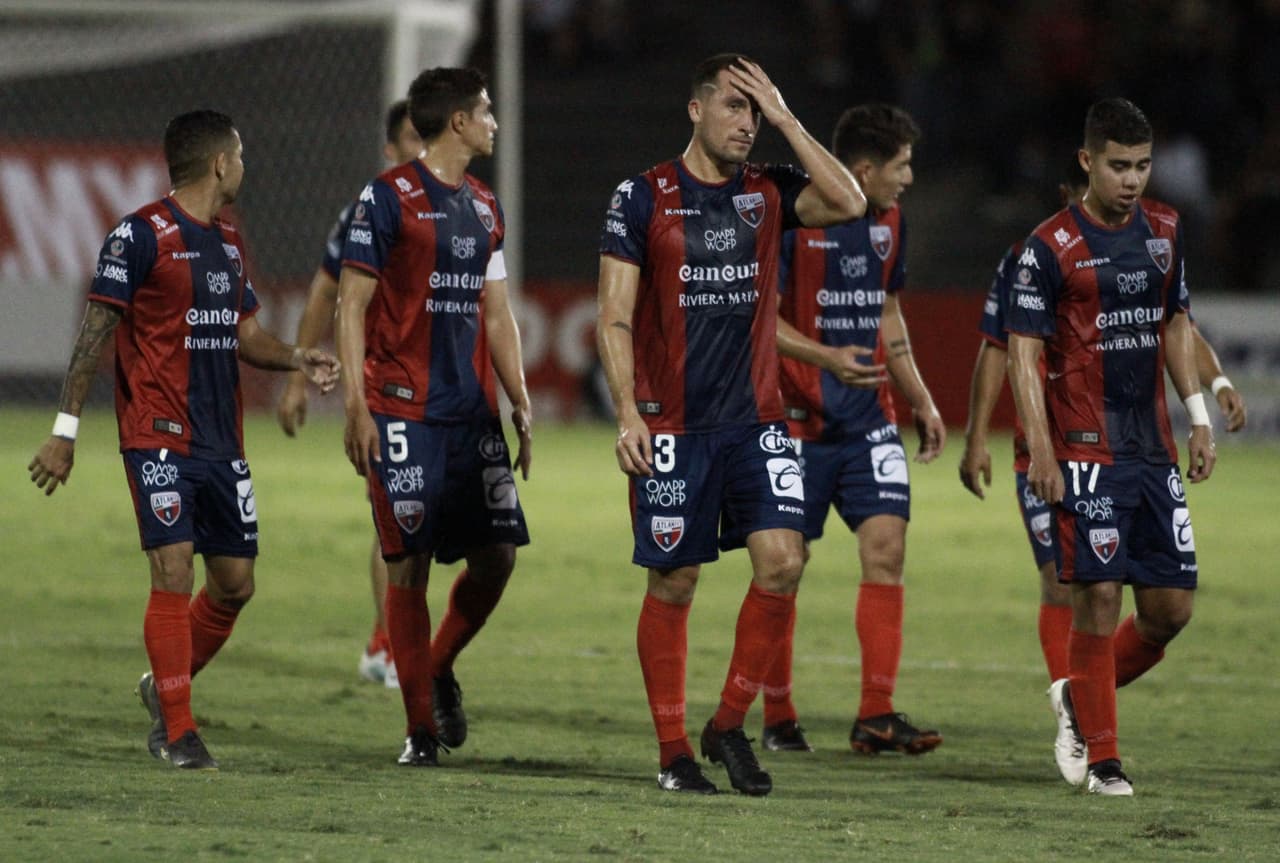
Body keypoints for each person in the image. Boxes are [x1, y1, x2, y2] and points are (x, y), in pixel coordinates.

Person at [27, 110, 340, 770]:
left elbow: (246, 334)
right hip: (157, 434)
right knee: (173, 567)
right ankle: (176, 728)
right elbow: (95, 332)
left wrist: (297, 358)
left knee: (234, 582)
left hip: (221, 440)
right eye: (242, 155)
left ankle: (161, 684)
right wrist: (65, 431)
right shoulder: (138, 236)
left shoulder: (225, 245)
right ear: (220, 163)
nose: (246, 166)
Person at [597, 53, 865, 795]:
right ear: (695, 108)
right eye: (734, 108)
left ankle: (727, 722)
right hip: (672, 424)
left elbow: (849, 202)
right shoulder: (641, 197)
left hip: (757, 420)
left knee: (783, 560)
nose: (745, 124)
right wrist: (626, 410)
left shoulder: (769, 194)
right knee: (676, 579)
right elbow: (614, 316)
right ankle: (674, 751)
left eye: (755, 112)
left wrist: (787, 115)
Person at [960, 158, 1247, 700]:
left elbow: (1175, 324)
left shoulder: (1135, 247)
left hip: (1128, 448)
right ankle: (1071, 710)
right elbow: (999, 351)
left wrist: (1218, 385)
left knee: (1145, 599)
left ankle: (1076, 701)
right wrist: (977, 438)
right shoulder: (1029, 258)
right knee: (1062, 582)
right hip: (1049, 450)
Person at [1006, 98, 1216, 797]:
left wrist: (1199, 416)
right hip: (1083, 447)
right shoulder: (1048, 247)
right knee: (1096, 593)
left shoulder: (1164, 230)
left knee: (1169, 610)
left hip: (1152, 449)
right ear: (1087, 162)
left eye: (1142, 165)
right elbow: (1023, 352)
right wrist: (1040, 447)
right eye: (1118, 165)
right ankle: (1105, 759)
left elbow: (1176, 323)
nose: (1131, 179)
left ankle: (1076, 696)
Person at [336, 67, 532, 767]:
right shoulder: (386, 199)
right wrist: (357, 404)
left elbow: (498, 310)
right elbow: (350, 305)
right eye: (486, 111)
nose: (494, 122)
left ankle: (439, 663)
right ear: (457, 122)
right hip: (400, 411)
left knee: (498, 556)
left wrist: (521, 400)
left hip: (470, 416)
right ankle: (419, 730)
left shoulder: (484, 205)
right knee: (408, 568)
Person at [768, 103, 946, 756]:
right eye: (901, 167)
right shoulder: (793, 221)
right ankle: (778, 713)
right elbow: (762, 323)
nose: (909, 180)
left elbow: (887, 311)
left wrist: (921, 396)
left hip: (871, 423)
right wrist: (824, 360)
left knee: (886, 551)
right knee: (786, 567)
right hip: (794, 426)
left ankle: (875, 713)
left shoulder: (890, 221)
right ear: (864, 170)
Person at [276, 100, 424, 688]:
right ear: (390, 149)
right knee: (400, 519)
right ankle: (387, 644)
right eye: (413, 137)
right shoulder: (371, 211)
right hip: (388, 387)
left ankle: (403, 641)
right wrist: (296, 379)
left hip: (450, 394)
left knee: (452, 530)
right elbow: (324, 294)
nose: (422, 147)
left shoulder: (469, 204)